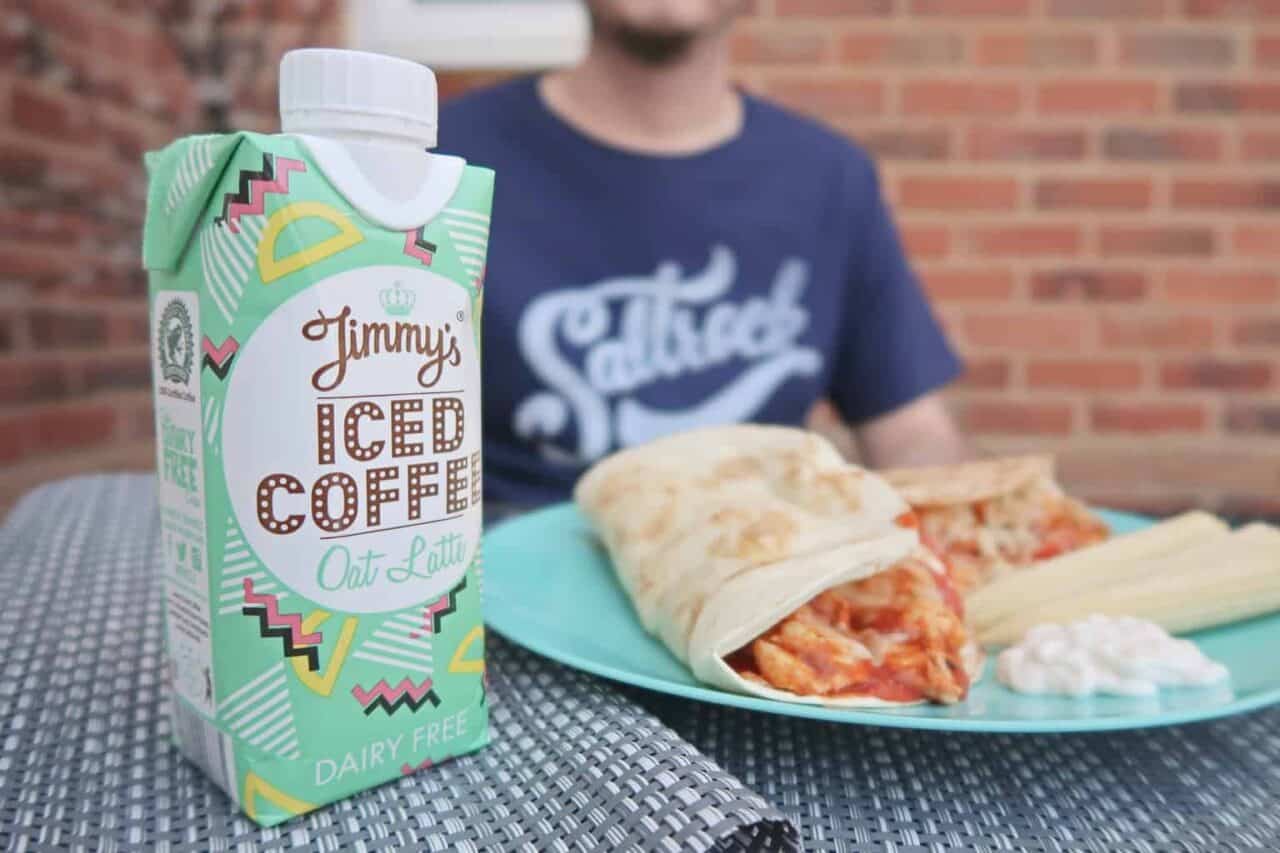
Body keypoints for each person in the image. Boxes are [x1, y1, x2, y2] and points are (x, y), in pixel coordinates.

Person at [439, 0, 973, 509]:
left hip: (753, 564)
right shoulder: (443, 165)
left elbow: (909, 432)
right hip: (492, 581)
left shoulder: (828, 178)